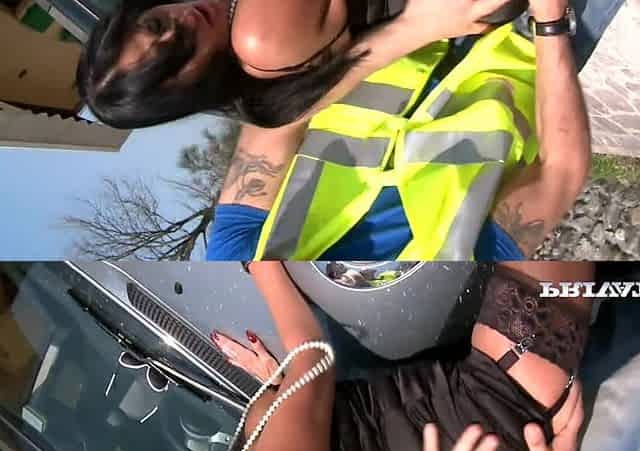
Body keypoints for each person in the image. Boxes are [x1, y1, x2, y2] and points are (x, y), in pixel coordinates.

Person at [207, 0, 591, 261]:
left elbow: (278, 114)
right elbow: (560, 172)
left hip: (404, 16)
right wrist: (551, 22)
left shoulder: (238, 261)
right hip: (530, 45)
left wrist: (415, 28)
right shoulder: (455, 292)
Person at [191, 260, 592, 451]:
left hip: (438, 420)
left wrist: (285, 404)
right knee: (542, 211)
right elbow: (311, 354)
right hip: (482, 423)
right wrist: (259, 259)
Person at [77, 0, 528, 129]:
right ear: (188, 88)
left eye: (156, 24)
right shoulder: (257, 37)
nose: (183, 24)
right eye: (175, 53)